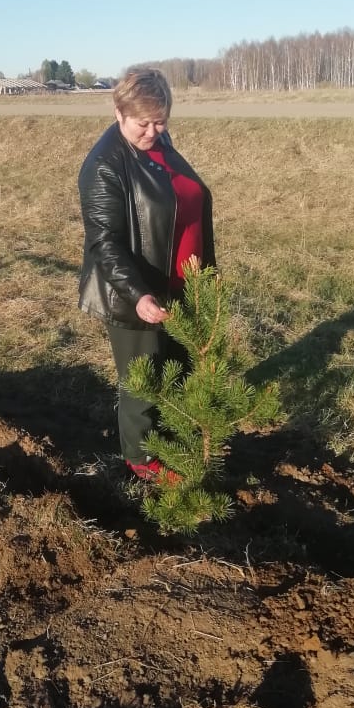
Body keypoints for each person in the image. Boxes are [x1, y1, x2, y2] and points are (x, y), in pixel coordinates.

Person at [78, 67, 216, 479]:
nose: (153, 132)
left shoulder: (158, 141)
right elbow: (105, 243)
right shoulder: (104, 166)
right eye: (143, 123)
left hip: (180, 281)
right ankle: (143, 460)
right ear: (118, 112)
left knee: (178, 367)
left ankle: (176, 441)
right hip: (133, 293)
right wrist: (139, 294)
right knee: (143, 378)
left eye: (161, 122)